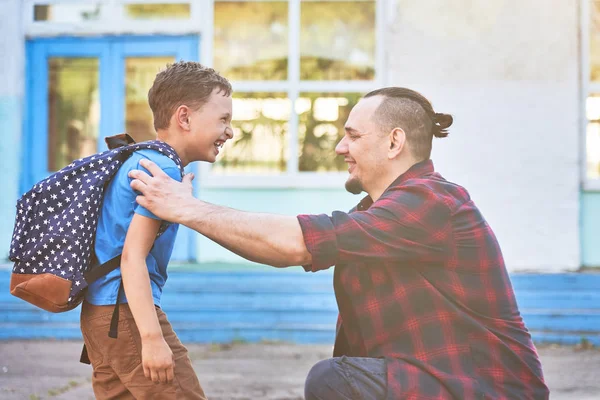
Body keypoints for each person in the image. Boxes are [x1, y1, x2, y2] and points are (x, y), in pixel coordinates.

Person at [128, 87, 549, 399]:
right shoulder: (380, 213)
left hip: (485, 389)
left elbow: (296, 243)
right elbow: (284, 249)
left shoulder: (431, 203)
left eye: (353, 136)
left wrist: (188, 208)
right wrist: (189, 209)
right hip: (431, 381)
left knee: (334, 380)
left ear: (394, 142)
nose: (339, 146)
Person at [81, 61, 233, 399]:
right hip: (127, 314)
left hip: (100, 313)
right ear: (184, 118)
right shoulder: (161, 167)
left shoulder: (140, 158)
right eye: (223, 119)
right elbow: (132, 257)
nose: (230, 131)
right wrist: (151, 339)